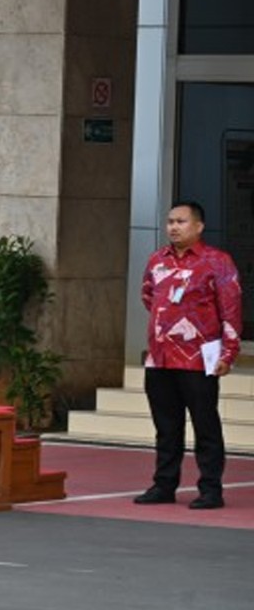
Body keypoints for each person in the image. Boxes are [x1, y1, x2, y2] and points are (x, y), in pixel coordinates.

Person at [134, 201, 242, 510]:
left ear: (198, 226)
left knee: (205, 425)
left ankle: (211, 489)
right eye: (170, 222)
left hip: (198, 358)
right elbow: (147, 296)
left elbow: (231, 310)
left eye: (181, 221)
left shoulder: (217, 262)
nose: (174, 227)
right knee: (166, 426)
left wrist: (228, 352)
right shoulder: (157, 260)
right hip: (160, 357)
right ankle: (164, 484)